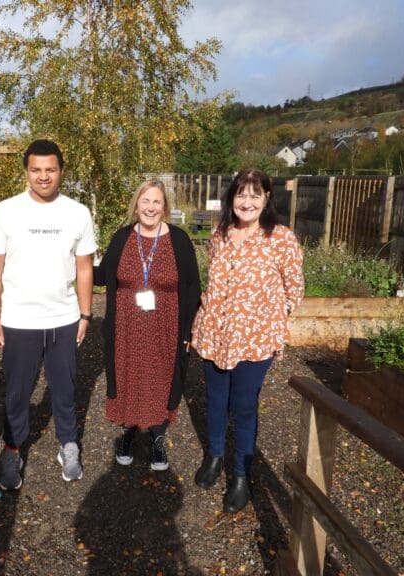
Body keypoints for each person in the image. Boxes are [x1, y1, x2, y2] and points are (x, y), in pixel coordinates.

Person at [0, 139, 96, 490]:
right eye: (36, 170)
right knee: (17, 392)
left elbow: (84, 267)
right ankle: (13, 448)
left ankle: (69, 444)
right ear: (26, 172)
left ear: (61, 171)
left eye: (50, 169)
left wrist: (85, 314)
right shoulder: (6, 211)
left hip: (63, 319)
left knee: (65, 388)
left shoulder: (77, 212)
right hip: (19, 320)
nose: (43, 177)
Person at [191, 168, 304, 513]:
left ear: (267, 198)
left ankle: (240, 474)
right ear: (232, 198)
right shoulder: (219, 235)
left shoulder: (281, 238)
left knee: (242, 406)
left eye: (256, 195)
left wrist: (269, 318)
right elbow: (214, 283)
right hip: (215, 333)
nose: (248, 202)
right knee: (215, 399)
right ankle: (213, 456)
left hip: (254, 340)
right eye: (242, 194)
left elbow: (295, 289)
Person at [94, 180, 200, 470]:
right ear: (136, 204)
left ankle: (156, 437)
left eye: (156, 202)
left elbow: (192, 288)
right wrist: (72, 261)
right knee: (127, 373)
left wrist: (189, 331)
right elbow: (102, 275)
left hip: (165, 325)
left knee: (161, 376)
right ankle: (127, 431)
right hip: (126, 325)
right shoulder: (122, 237)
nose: (151, 208)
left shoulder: (179, 239)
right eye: (145, 201)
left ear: (164, 207)